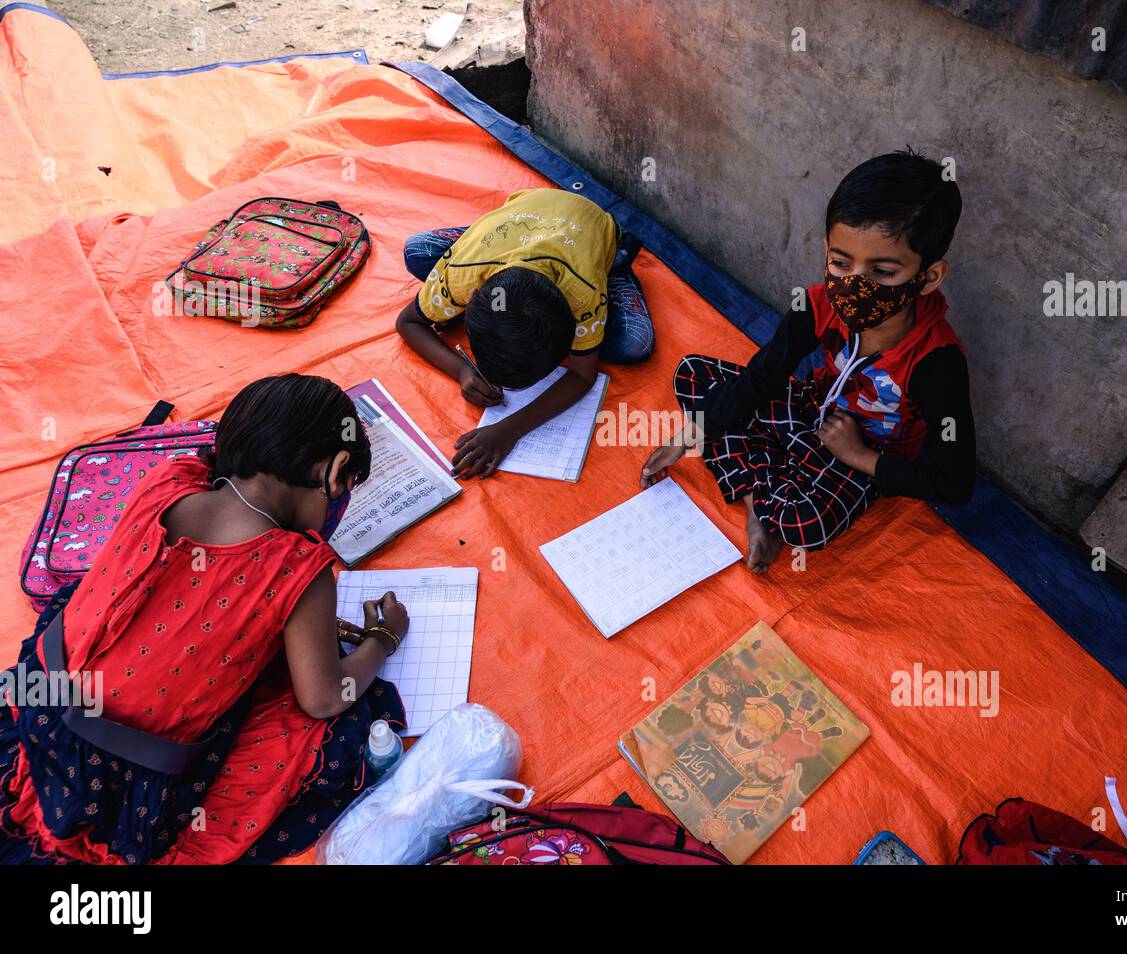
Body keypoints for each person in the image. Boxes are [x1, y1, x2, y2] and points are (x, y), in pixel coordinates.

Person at [0, 374, 409, 864]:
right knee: (340, 720)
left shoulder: (168, 481)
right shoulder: (300, 567)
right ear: (335, 469)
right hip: (117, 782)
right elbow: (324, 698)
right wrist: (382, 639)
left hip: (38, 707)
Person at [640, 150, 975, 573]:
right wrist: (690, 434)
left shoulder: (935, 362)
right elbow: (763, 377)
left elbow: (955, 482)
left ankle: (764, 482)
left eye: (883, 272)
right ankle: (756, 501)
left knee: (803, 522)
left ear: (928, 277)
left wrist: (858, 455)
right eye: (840, 262)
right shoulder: (818, 304)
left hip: (858, 459)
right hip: (808, 412)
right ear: (826, 250)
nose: (854, 284)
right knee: (693, 373)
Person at [396, 187, 654, 478]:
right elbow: (406, 322)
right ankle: (495, 231)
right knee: (416, 250)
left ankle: (614, 268)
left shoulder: (582, 293)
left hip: (591, 230)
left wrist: (510, 429)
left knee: (634, 344)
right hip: (520, 224)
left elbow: (582, 373)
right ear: (474, 300)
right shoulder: (465, 273)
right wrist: (462, 372)